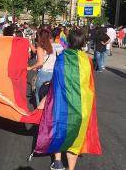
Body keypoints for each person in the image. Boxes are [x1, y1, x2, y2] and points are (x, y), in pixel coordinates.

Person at [35, 29, 102, 170]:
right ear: (84, 42)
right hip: (82, 104)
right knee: (76, 135)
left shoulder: (62, 57)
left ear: (69, 41)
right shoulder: (87, 60)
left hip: (62, 102)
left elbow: (56, 82)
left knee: (58, 129)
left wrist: (45, 99)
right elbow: (89, 83)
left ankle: (58, 162)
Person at [27, 29, 63, 106]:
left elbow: (40, 62)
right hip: (54, 74)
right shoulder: (58, 46)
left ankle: (39, 111)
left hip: (43, 74)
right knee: (51, 95)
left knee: (37, 93)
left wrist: (30, 67)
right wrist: (30, 44)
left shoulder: (41, 47)